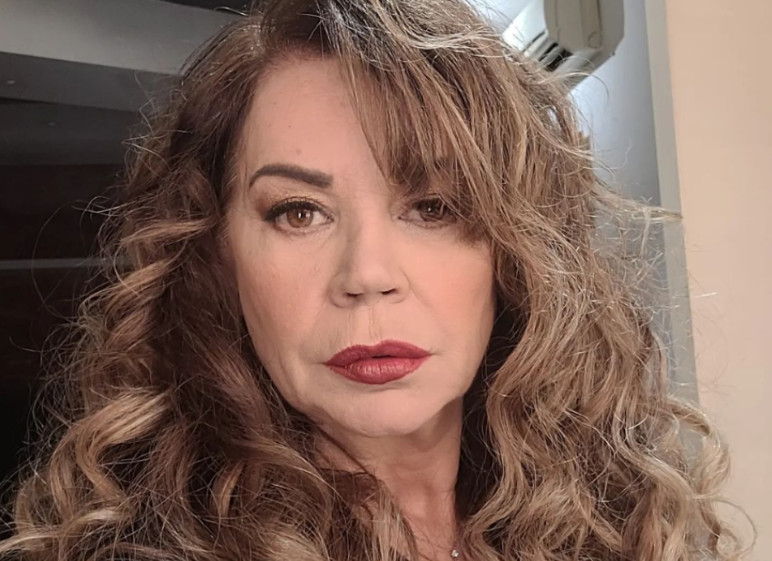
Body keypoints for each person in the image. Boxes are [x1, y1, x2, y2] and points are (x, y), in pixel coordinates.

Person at [0, 1, 746, 560]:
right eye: (298, 212)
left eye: (433, 206)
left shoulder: (618, 517)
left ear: (516, 250)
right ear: (217, 257)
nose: (367, 275)